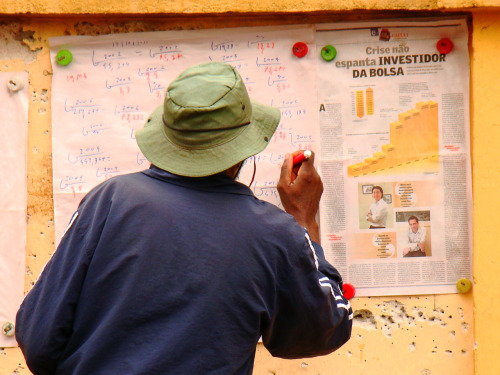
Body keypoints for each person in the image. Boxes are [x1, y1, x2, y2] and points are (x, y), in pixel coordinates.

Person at [16, 61, 352, 375]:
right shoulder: (274, 234)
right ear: (242, 151)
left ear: (167, 136)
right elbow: (323, 329)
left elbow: (39, 340)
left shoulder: (110, 200)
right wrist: (303, 217)